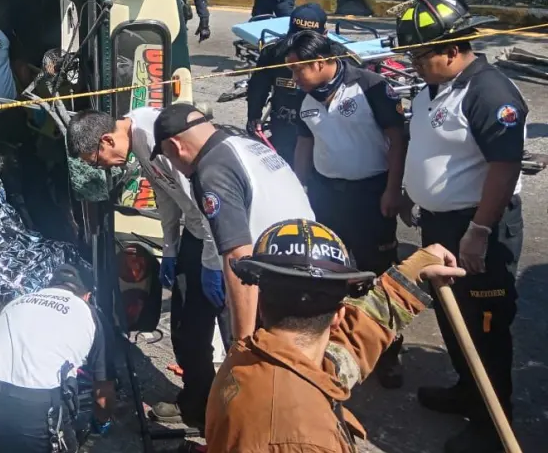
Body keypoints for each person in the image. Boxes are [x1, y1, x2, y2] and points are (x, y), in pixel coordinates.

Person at [205, 219, 466, 453]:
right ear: (339, 314)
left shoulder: (253, 358)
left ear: (261, 303)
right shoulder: (306, 439)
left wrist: (413, 272)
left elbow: (348, 347)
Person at [395, 0, 525, 453]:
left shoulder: (490, 93)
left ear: (452, 49)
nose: (414, 65)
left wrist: (480, 231)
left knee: (486, 326)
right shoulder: (435, 86)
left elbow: (504, 169)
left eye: (420, 56)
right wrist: (415, 190)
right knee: (455, 318)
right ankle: (467, 392)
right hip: (440, 223)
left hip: (479, 227)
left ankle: (492, 425)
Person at [67, 108, 226, 428]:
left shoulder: (158, 136)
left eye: (96, 160)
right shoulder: (137, 139)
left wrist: (212, 265)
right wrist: (170, 247)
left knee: (230, 330)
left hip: (223, 234)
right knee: (186, 330)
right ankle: (197, 405)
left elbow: (208, 200)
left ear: (107, 139)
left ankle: (231, 419)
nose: (101, 169)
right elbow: (167, 194)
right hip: (197, 233)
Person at [285, 30, 408, 388]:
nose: (294, 78)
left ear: (320, 62)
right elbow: (304, 145)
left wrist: (392, 190)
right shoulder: (303, 97)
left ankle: (389, 352)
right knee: (326, 272)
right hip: (326, 194)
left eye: (297, 70)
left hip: (371, 195)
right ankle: (328, 343)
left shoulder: (369, 86)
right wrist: (298, 190)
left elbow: (398, 141)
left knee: (378, 276)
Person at [150, 103, 314, 342]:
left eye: (168, 157)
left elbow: (239, 257)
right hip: (311, 270)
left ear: (176, 147)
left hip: (278, 288)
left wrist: (243, 342)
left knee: (258, 371)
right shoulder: (245, 144)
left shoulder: (212, 170)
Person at [0, 265, 113, 453]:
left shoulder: (18, 302)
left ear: (51, 285)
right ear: (87, 295)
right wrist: (101, 422)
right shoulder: (90, 314)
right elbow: (102, 391)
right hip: (37, 414)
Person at [245, 4, 350, 167]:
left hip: (324, 131)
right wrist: (254, 116)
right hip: (286, 127)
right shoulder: (273, 52)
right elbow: (258, 86)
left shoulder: (339, 56)